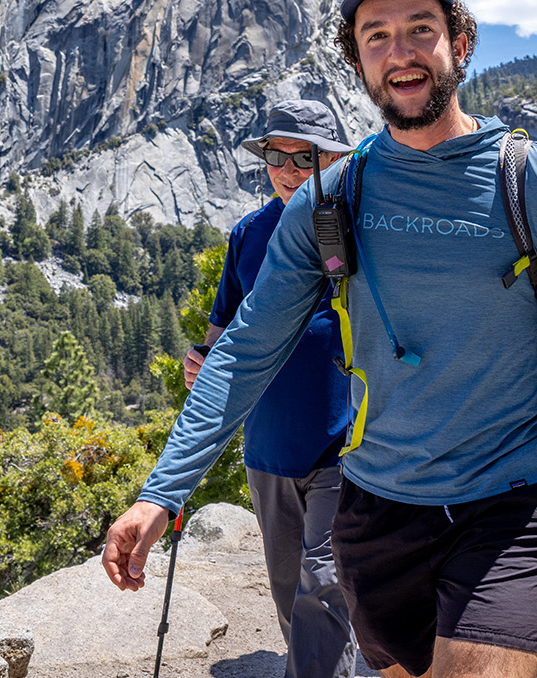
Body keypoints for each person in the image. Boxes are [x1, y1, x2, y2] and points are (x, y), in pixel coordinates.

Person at [104, 0, 537, 678]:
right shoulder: (329, 199)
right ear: (356, 59)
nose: (401, 51)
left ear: (461, 42)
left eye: (421, 28)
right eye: (376, 36)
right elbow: (245, 350)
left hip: (511, 501)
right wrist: (162, 492)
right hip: (376, 508)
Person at [184, 99, 357, 678]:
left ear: (334, 159)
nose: (286, 169)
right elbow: (221, 330)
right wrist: (203, 362)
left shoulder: (361, 229)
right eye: (275, 157)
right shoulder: (248, 234)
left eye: (301, 157)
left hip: (348, 442)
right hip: (267, 447)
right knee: (288, 580)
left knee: (325, 578)